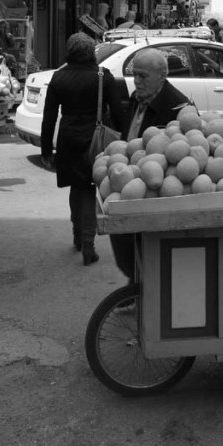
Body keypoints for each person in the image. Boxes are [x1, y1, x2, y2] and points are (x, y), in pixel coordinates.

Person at [40, 33, 125, 265]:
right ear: (91, 53)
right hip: (94, 140)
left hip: (67, 138)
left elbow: (48, 118)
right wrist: (125, 140)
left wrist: (46, 150)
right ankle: (88, 242)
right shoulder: (102, 77)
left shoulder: (58, 77)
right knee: (88, 187)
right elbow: (118, 112)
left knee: (76, 187)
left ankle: (78, 234)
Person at [110, 48, 192, 281]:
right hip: (132, 176)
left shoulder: (179, 106)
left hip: (157, 187)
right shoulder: (138, 98)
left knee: (139, 241)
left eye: (143, 76)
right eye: (134, 74)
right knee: (122, 236)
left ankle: (142, 287)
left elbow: (182, 153)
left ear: (161, 76)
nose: (136, 81)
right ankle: (137, 283)